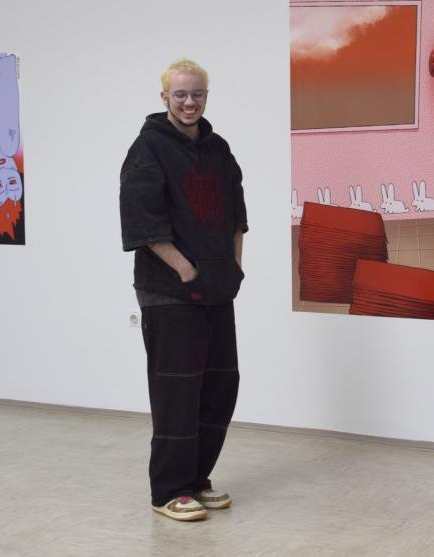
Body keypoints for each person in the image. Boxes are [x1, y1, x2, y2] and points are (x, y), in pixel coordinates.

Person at [119, 59, 247, 522]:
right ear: (165, 98)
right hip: (169, 293)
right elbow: (141, 222)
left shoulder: (218, 149)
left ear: (206, 96)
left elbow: (237, 215)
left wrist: (234, 268)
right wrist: (185, 270)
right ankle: (169, 490)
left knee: (219, 385)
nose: (190, 102)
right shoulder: (147, 149)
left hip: (217, 290)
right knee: (177, 392)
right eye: (180, 95)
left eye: (197, 94)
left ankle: (195, 480)